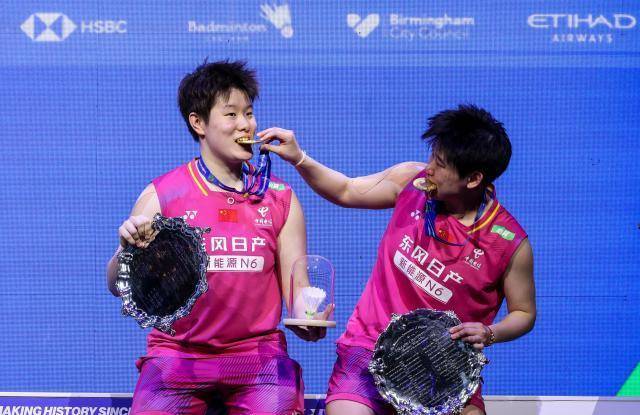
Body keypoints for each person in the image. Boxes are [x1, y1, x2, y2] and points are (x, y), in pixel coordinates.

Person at [257, 104, 536, 415]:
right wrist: (299, 157)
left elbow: (524, 312)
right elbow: (347, 190)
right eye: (432, 156)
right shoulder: (410, 183)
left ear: (473, 179)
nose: (429, 168)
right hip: (369, 349)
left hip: (443, 369)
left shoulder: (508, 243)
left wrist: (490, 333)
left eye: (440, 164)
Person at [106, 60, 330, 415]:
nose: (245, 124)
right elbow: (118, 286)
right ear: (198, 123)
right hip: (178, 355)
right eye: (231, 114)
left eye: (249, 113)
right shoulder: (163, 196)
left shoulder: (279, 198)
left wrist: (308, 317)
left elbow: (297, 289)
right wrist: (126, 252)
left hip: (257, 357)